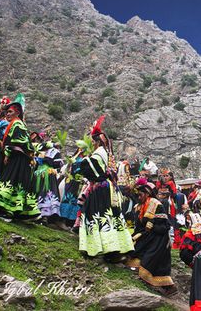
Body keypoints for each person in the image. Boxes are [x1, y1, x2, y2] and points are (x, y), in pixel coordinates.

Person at [77, 116, 133, 260]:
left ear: (96, 141)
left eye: (92, 140)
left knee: (97, 215)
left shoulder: (99, 152)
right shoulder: (107, 153)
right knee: (110, 217)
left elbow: (91, 167)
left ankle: (98, 248)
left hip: (101, 188)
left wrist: (82, 163)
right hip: (108, 188)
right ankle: (114, 250)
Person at [0, 94, 42, 221]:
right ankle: (14, 213)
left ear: (17, 113)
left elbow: (16, 143)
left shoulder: (17, 124)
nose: (7, 114)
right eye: (6, 112)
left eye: (10, 112)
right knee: (16, 185)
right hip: (20, 160)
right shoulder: (17, 124)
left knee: (11, 182)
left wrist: (7, 153)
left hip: (19, 160)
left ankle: (6, 211)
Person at [126, 179, 175, 294]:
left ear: (147, 194)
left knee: (151, 261)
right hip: (146, 236)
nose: (138, 197)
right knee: (134, 251)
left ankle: (168, 286)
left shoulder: (156, 204)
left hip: (159, 239)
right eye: (137, 195)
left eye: (140, 195)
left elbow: (165, 226)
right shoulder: (138, 207)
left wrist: (153, 226)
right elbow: (139, 226)